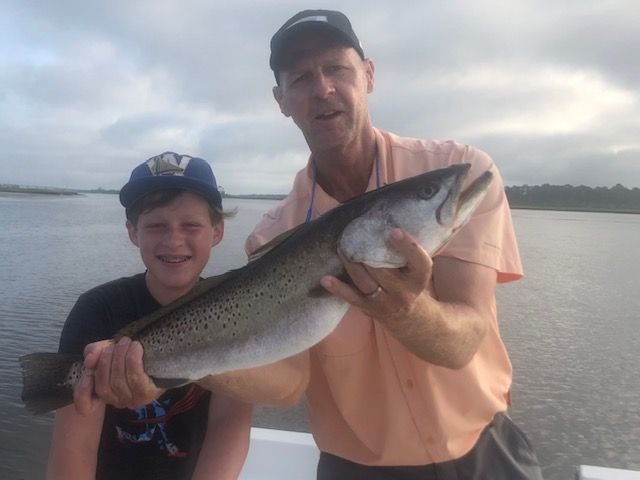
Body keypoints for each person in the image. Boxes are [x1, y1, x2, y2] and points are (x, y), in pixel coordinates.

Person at [75, 10, 544, 480]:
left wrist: (407, 309)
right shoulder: (274, 236)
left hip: (486, 452)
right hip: (357, 469)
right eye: (300, 77)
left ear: (369, 74)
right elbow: (287, 386)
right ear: (282, 100)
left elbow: (466, 341)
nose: (322, 89)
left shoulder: (457, 168)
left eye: (337, 68)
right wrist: (157, 367)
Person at [48, 152, 252, 480]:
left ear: (217, 231)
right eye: (156, 225)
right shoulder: (96, 310)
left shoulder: (237, 308)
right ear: (133, 232)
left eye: (191, 225)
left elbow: (228, 426)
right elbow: (74, 446)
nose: (173, 240)